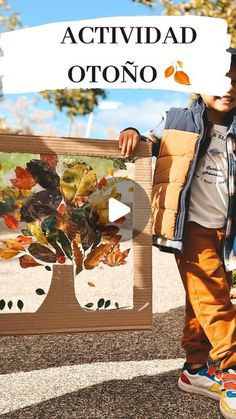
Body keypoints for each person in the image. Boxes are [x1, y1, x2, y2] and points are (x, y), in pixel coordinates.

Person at [118, 48, 236, 419]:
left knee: (205, 296)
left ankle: (197, 368)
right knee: (214, 297)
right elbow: (149, 142)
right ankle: (232, 368)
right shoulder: (177, 119)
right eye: (220, 78)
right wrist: (133, 133)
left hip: (229, 230)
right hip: (191, 227)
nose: (229, 87)